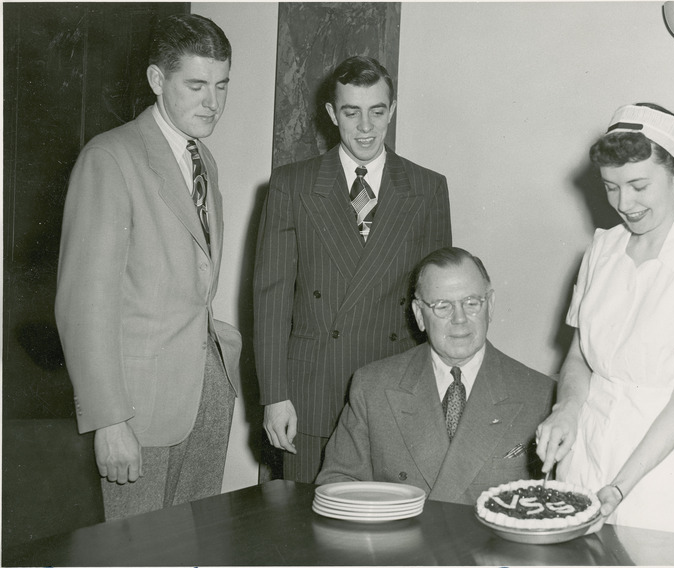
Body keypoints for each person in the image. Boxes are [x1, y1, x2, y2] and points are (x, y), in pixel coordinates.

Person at [54, 14, 240, 520]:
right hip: (138, 409)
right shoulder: (110, 158)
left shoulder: (204, 160)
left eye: (221, 85)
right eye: (196, 85)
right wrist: (108, 419)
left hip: (206, 395)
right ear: (158, 81)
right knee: (134, 554)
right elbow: (83, 305)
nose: (213, 103)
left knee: (192, 546)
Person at [536, 103, 674, 537]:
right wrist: (566, 409)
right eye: (611, 187)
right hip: (585, 449)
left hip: (655, 467)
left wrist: (620, 485)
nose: (623, 203)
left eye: (638, 185)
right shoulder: (603, 249)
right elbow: (579, 358)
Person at [253, 56, 452, 482]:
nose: (366, 127)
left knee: (386, 533)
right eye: (351, 112)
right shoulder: (293, 184)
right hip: (311, 391)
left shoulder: (427, 188)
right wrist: (274, 396)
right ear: (331, 113)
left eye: (377, 112)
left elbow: (439, 304)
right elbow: (271, 298)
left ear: (392, 110)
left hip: (394, 387)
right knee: (304, 527)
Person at [317, 247, 554, 504]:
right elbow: (337, 486)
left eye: (471, 303)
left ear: (491, 306)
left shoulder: (540, 394)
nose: (460, 319)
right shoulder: (372, 386)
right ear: (419, 314)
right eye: (443, 306)